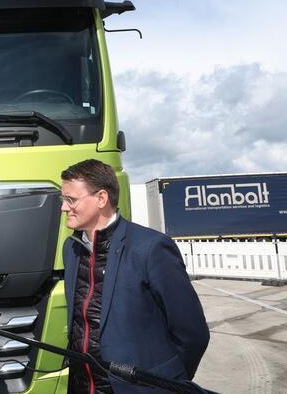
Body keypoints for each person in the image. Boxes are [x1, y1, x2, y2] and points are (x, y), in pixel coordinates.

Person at [60, 159, 209, 393]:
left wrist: (168, 381)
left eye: (71, 200)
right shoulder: (71, 249)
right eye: (63, 199)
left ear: (101, 198)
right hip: (82, 385)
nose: (64, 207)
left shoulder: (151, 248)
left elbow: (192, 332)